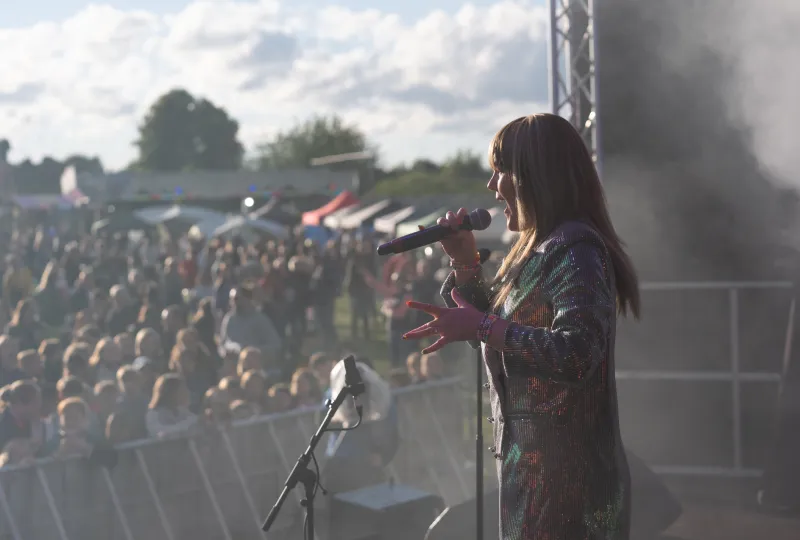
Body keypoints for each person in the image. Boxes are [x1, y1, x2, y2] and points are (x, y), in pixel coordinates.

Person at [404, 113, 641, 540]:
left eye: (501, 172)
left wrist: (483, 327)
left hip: (572, 497)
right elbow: (496, 333)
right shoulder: (536, 249)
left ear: (535, 175)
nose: (492, 187)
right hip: (535, 481)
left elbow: (577, 352)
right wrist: (464, 262)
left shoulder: (576, 246)